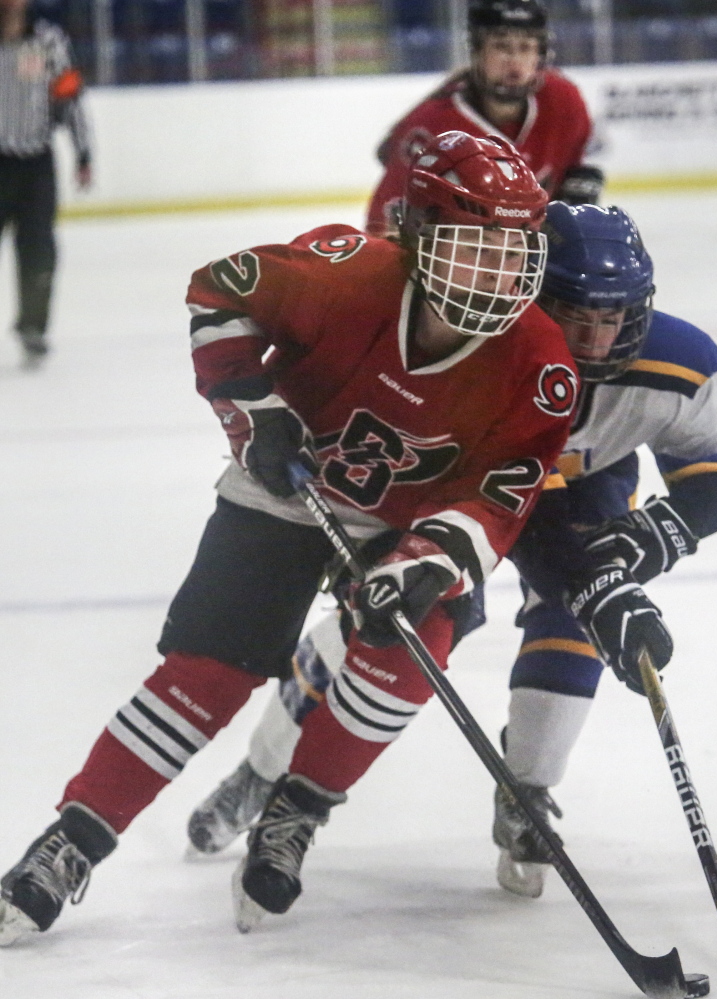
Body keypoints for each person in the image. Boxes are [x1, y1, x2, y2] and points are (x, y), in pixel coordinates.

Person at [0, 130, 579, 946]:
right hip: (287, 486)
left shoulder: (541, 362)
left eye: (514, 247)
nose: (496, 269)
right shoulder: (349, 274)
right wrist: (253, 410)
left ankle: (297, 809)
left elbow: (500, 492)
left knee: (409, 647)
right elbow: (218, 293)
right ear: (418, 234)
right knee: (207, 670)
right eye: (475, 242)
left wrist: (427, 564)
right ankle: (73, 837)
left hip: (410, 522)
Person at [187, 203, 717, 911]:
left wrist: (666, 528)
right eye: (574, 316)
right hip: (457, 485)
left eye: (613, 317)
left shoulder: (676, 361)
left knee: (579, 614)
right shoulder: (483, 345)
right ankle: (264, 766)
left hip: (576, 489)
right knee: (388, 615)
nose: (594, 340)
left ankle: (527, 788)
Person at [367, 0, 603, 237]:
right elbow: (384, 223)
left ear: (540, 55)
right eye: (501, 46)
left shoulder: (563, 101)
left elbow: (572, 174)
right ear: (477, 51)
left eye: (525, 47)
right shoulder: (429, 128)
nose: (514, 60)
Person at [0, 0, 92, 362]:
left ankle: (33, 326)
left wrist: (84, 153)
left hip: (35, 164)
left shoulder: (48, 40)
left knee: (39, 250)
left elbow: (70, 98)